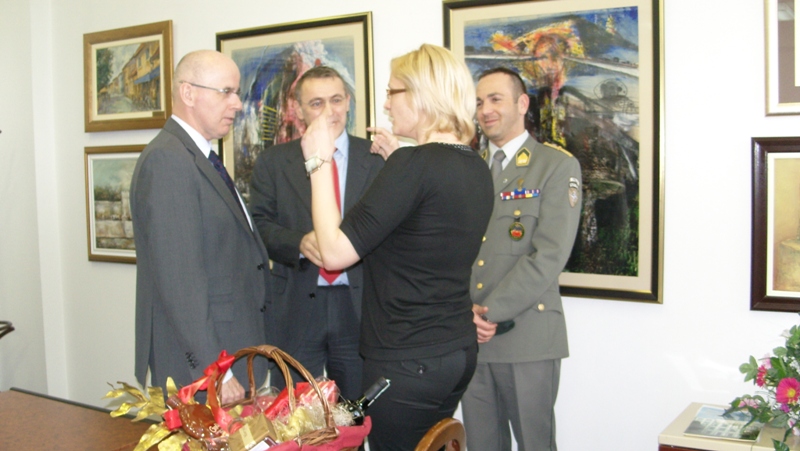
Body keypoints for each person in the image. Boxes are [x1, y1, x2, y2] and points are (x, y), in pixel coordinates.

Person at [299, 44, 494, 450]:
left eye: (392, 92)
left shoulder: (414, 165)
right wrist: (401, 164)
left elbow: (333, 253)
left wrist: (318, 162)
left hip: (407, 360)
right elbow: (424, 234)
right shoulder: (474, 164)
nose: (386, 104)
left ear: (422, 95)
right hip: (454, 353)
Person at [130, 50, 270, 404]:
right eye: (226, 92)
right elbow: (180, 280)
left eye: (237, 93)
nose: (237, 104)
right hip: (204, 365)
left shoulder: (199, 156)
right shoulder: (169, 161)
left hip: (230, 349)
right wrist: (215, 369)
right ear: (188, 93)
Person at [461, 67, 582, 451]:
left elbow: (549, 254)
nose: (485, 110)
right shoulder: (469, 167)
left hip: (527, 336)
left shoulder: (556, 166)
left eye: (495, 99)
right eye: (479, 101)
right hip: (472, 337)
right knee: (482, 445)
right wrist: (464, 313)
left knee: (535, 444)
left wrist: (489, 312)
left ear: (522, 104)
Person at [249, 66, 384, 400]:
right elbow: (258, 225)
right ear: (297, 110)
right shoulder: (273, 162)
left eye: (336, 100)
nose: (329, 112)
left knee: (356, 412)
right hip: (295, 306)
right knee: (293, 413)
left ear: (349, 102)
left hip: (359, 306)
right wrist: (297, 243)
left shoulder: (377, 159)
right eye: (316, 103)